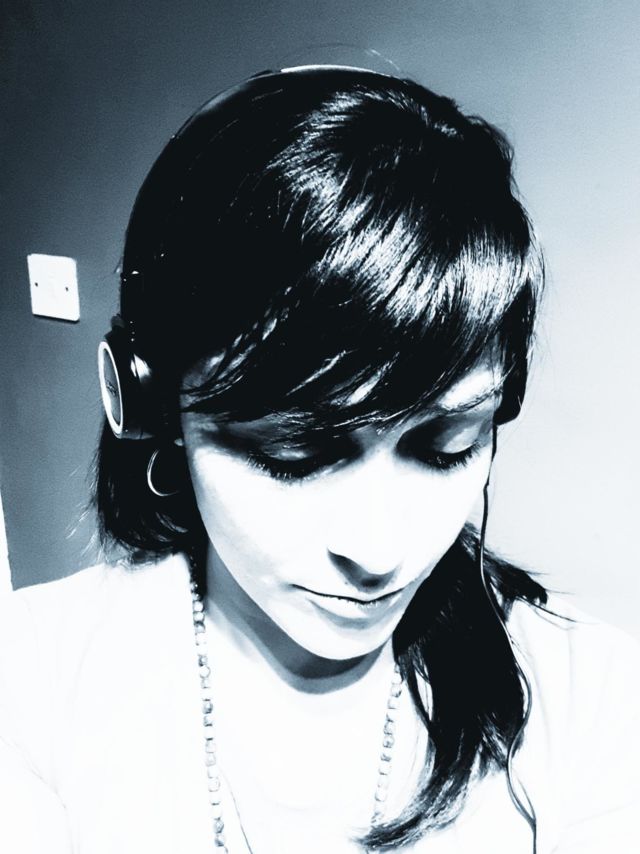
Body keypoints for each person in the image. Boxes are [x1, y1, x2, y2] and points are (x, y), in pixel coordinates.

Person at [0, 65, 638, 854]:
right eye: (293, 455)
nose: (380, 550)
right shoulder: (27, 685)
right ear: (154, 408)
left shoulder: (595, 701)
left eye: (445, 448)